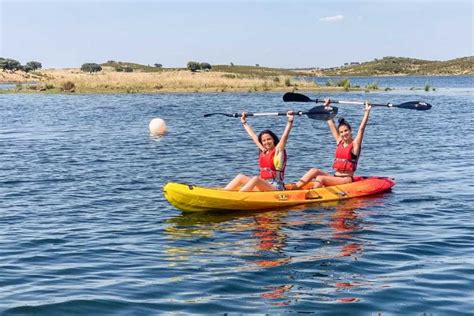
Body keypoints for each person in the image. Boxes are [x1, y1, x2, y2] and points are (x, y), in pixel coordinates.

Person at [291, 98, 372, 189]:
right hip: (335, 177)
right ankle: (294, 188)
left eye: (346, 131)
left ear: (350, 131)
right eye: (341, 132)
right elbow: (330, 122)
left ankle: (312, 194)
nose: (344, 134)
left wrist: (366, 112)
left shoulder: (355, 144)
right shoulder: (339, 141)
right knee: (314, 171)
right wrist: (327, 107)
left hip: (346, 180)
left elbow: (361, 129)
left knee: (320, 178)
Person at [224, 111, 295, 192]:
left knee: (255, 179)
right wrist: (244, 122)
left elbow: (285, 136)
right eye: (264, 140)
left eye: (269, 139)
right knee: (240, 177)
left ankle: (238, 197)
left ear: (273, 140)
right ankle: (223, 194)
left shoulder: (278, 150)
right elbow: (253, 136)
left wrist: (290, 121)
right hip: (263, 184)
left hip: (275, 187)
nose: (266, 142)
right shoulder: (263, 151)